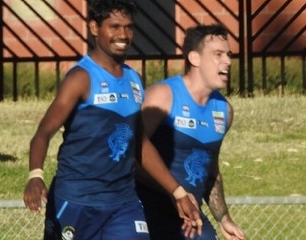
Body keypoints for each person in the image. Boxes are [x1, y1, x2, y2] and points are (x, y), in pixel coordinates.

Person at [23, 0, 201, 239]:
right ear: (94, 28)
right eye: (114, 26)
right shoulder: (81, 78)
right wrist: (36, 175)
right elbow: (44, 132)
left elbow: (138, 143)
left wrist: (177, 192)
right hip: (77, 200)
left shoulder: (133, 79)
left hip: (123, 202)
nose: (123, 34)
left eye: (128, 27)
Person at [135, 23, 246, 240]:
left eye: (229, 55)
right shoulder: (163, 95)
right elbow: (131, 152)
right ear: (194, 58)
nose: (228, 61)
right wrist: (175, 191)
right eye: (218, 54)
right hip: (144, 209)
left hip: (189, 217)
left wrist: (223, 217)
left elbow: (210, 171)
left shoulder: (224, 111)